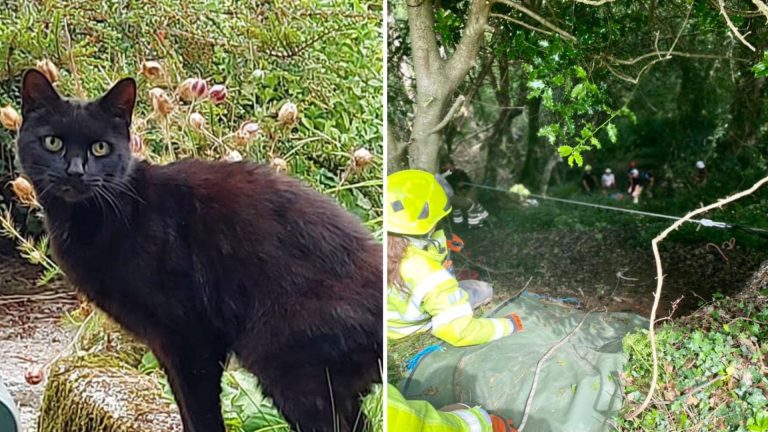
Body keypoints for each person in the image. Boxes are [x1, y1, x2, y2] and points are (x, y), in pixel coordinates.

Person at [386, 169, 523, 432]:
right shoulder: (430, 276)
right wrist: (508, 326)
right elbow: (458, 331)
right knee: (482, 289)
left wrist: (441, 247)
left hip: (393, 321)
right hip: (416, 324)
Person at [441, 159, 489, 228]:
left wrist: (463, 184)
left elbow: (469, 184)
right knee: (461, 205)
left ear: (453, 165)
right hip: (455, 194)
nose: (449, 168)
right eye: (446, 167)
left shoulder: (460, 172)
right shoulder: (444, 176)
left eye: (450, 166)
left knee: (473, 200)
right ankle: (462, 223)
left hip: (466, 190)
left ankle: (480, 219)